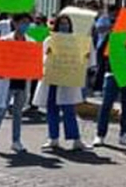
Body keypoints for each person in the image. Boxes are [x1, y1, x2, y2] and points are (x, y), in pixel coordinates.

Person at [33, 15, 90, 151]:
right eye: (62, 24)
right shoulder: (50, 40)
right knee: (52, 110)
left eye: (67, 24)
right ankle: (53, 139)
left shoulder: (76, 42)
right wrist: (47, 54)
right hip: (52, 80)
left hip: (67, 81)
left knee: (69, 111)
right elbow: (41, 60)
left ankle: (76, 140)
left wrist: (84, 57)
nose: (65, 27)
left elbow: (81, 62)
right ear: (57, 25)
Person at [0, 13, 34, 154]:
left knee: (18, 114)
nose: (25, 26)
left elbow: (34, 62)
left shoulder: (31, 42)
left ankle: (16, 142)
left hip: (22, 83)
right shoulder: (5, 40)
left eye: (27, 23)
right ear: (15, 23)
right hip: (7, 81)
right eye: (23, 22)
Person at [93, 28, 126, 147]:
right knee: (106, 105)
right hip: (112, 73)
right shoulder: (112, 35)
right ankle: (100, 134)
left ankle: (124, 134)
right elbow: (101, 52)